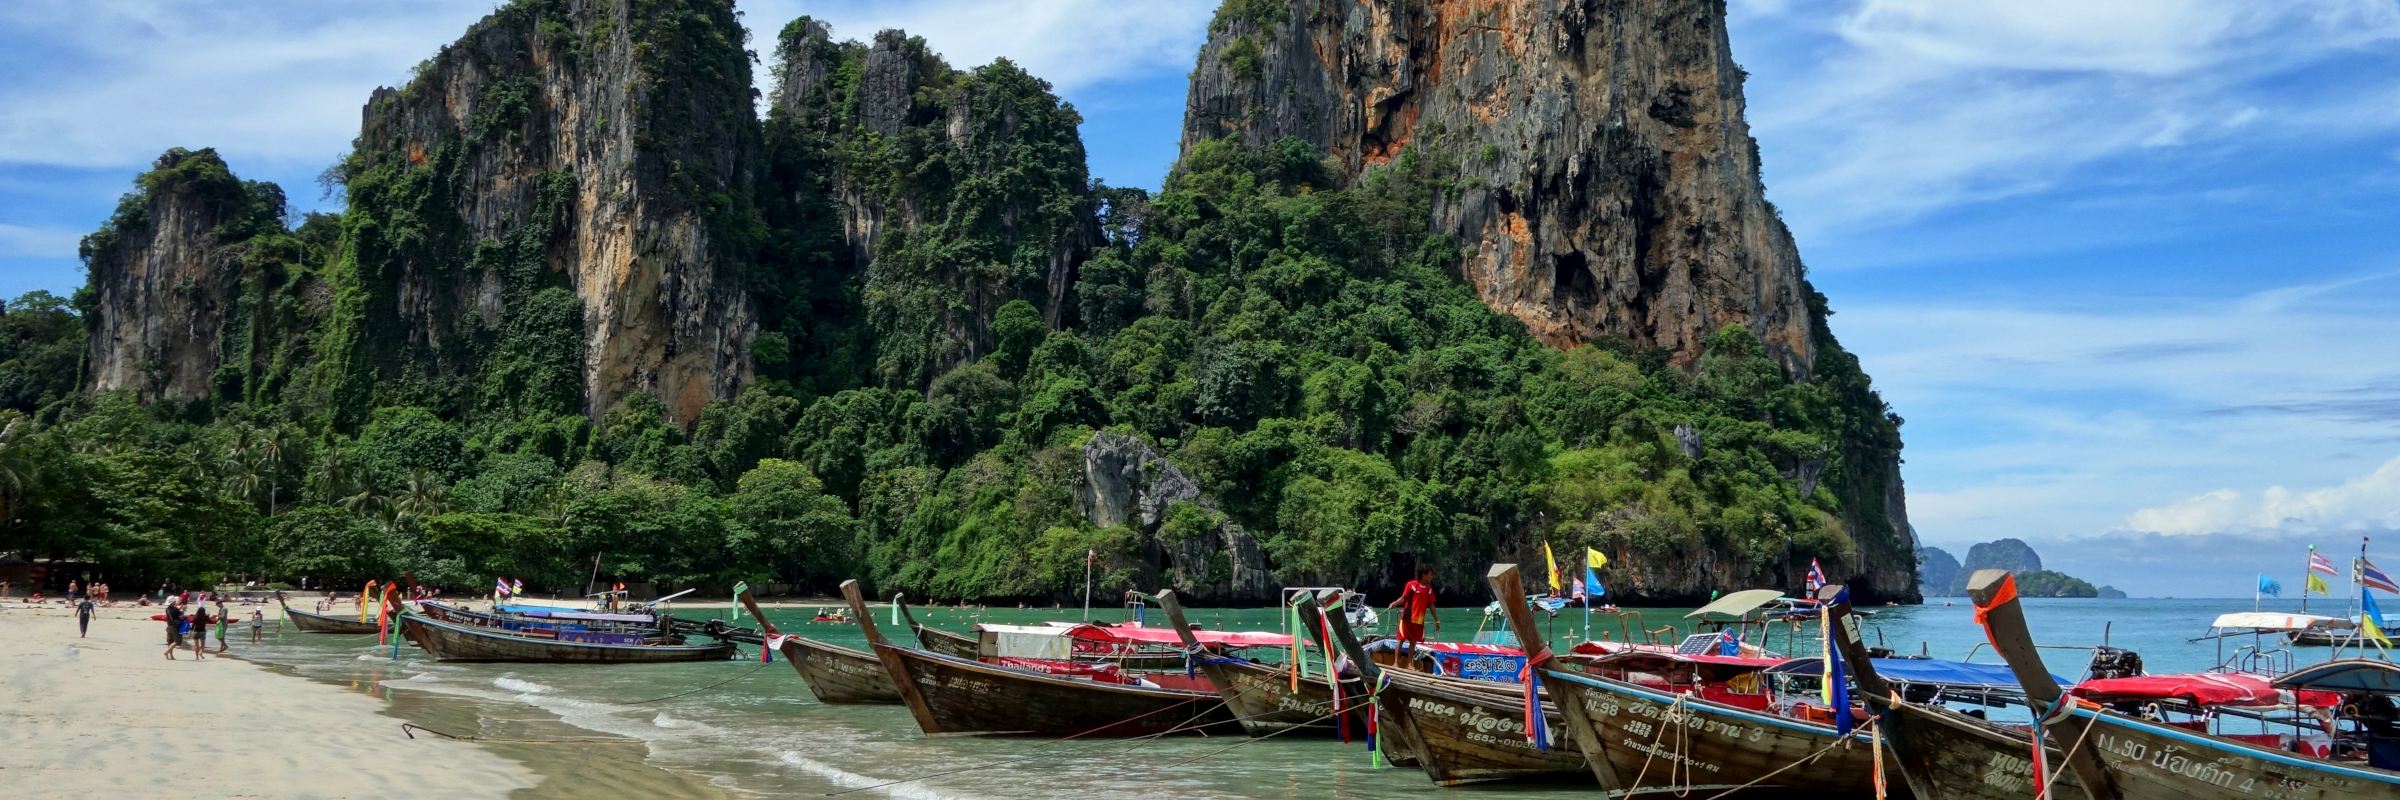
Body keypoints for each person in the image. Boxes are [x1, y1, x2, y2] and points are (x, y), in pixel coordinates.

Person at [1387, 565, 1441, 651]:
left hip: (1419, 620)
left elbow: (1431, 605)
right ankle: (1395, 663)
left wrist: (1436, 620)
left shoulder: (1428, 589)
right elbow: (1404, 598)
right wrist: (1395, 603)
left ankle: (1410, 664)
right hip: (1407, 617)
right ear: (1424, 574)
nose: (1432, 577)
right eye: (1431, 574)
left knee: (1413, 641)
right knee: (1401, 639)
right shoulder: (1412, 585)